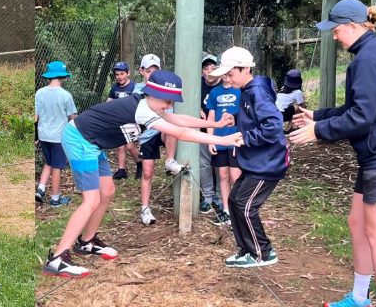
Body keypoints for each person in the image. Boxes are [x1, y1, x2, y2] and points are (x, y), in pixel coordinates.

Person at [42, 70, 238, 278]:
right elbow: (179, 132)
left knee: (107, 192)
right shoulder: (142, 109)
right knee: (91, 200)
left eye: (172, 101)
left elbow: (178, 120)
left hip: (92, 142)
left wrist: (215, 125)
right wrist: (223, 140)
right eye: (167, 100)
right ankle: (57, 259)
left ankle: (86, 241)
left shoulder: (150, 106)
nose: (169, 105)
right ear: (152, 94)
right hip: (79, 140)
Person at [290, 0, 376, 307]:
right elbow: (354, 108)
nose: (334, 37)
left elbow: (362, 117)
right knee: (357, 224)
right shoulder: (371, 53)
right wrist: (318, 117)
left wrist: (318, 132)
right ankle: (359, 298)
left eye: (335, 30)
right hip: (374, 156)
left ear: (352, 26)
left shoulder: (369, 59)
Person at [209, 46, 287, 269]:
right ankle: (247, 250)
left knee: (244, 205)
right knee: (234, 201)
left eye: (231, 74)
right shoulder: (248, 91)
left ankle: (263, 253)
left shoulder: (256, 92)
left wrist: (245, 137)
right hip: (255, 161)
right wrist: (236, 118)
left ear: (245, 69)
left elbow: (273, 126)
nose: (228, 79)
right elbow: (255, 117)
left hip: (268, 163)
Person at [133, 54, 183, 224]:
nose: (151, 74)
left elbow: (171, 116)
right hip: (147, 134)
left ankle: (169, 160)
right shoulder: (138, 90)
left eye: (155, 71)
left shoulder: (166, 89)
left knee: (173, 131)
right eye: (148, 71)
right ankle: (145, 209)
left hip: (162, 130)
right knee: (147, 172)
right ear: (141, 71)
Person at [35, 61, 78, 207]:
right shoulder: (66, 95)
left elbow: (36, 117)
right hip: (59, 137)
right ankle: (55, 198)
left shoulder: (39, 93)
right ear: (63, 77)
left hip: (43, 135)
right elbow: (73, 117)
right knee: (57, 167)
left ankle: (40, 188)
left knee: (49, 162)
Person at [206, 73, 242, 226]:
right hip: (219, 140)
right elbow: (211, 118)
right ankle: (226, 210)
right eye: (224, 73)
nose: (227, 76)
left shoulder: (240, 91)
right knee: (223, 175)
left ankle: (240, 210)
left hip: (235, 140)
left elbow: (244, 116)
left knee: (236, 176)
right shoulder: (214, 93)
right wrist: (210, 140)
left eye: (230, 73)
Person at [199, 53, 223, 214]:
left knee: (221, 166)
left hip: (222, 132)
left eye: (213, 68)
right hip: (201, 131)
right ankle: (207, 197)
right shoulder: (197, 85)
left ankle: (221, 198)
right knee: (204, 164)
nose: (209, 71)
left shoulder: (225, 85)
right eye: (206, 68)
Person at [107, 61, 138, 180]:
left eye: (121, 74)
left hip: (131, 120)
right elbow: (109, 102)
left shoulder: (134, 87)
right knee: (120, 146)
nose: (119, 77)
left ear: (128, 73)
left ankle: (139, 162)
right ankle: (121, 170)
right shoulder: (114, 88)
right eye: (117, 74)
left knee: (130, 146)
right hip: (118, 120)